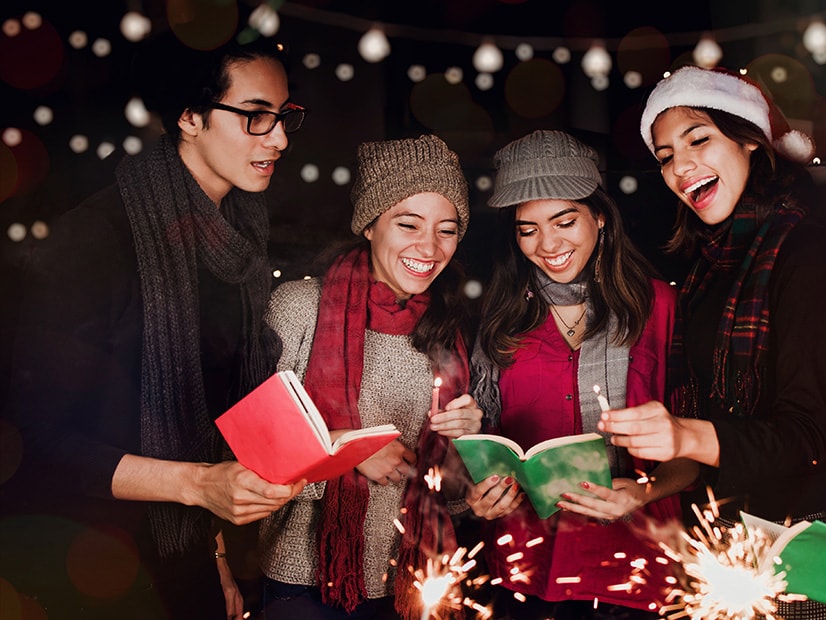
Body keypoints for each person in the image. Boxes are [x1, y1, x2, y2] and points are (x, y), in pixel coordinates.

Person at [0, 35, 307, 619]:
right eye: (255, 117)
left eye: (285, 116)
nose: (280, 138)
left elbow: (204, 423)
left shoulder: (240, 241)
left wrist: (212, 555)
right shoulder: (93, 242)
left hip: (184, 555)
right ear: (190, 117)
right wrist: (197, 486)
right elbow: (36, 444)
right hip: (86, 565)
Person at [599, 66, 826, 619]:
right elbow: (704, 430)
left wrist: (684, 434)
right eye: (666, 155)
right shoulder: (704, 269)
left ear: (748, 140)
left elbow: (805, 438)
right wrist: (644, 487)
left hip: (807, 550)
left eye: (699, 140)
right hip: (723, 543)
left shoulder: (806, 253)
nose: (681, 166)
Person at [467, 129, 697, 619]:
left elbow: (698, 447)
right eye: (527, 229)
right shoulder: (498, 319)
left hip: (640, 571)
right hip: (524, 571)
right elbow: (479, 449)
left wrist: (647, 490)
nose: (547, 244)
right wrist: (479, 495)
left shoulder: (661, 307)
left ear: (598, 216)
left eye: (564, 220)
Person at [258, 135, 483, 620]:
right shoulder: (300, 307)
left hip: (413, 582)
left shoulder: (451, 329)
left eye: (447, 230)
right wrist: (347, 449)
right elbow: (253, 452)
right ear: (370, 224)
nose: (430, 247)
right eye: (408, 224)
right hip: (305, 580)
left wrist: (468, 449)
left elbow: (451, 492)